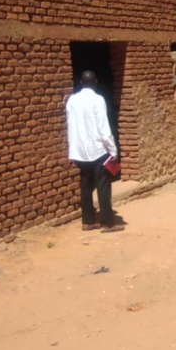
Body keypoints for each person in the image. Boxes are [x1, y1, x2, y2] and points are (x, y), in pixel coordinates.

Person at [65, 70, 124, 233]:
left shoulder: (72, 100)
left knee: (85, 184)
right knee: (103, 186)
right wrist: (113, 150)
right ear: (95, 82)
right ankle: (107, 223)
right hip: (98, 150)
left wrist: (73, 147)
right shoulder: (98, 100)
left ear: (81, 82)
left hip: (80, 151)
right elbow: (104, 129)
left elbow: (70, 125)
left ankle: (88, 221)